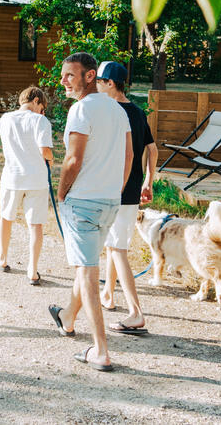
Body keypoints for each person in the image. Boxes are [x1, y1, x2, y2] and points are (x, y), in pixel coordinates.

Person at [48, 52, 132, 372]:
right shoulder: (117, 109)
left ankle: (100, 351)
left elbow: (73, 159)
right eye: (63, 75)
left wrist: (61, 193)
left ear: (89, 75)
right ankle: (67, 317)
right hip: (110, 201)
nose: (63, 81)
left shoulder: (81, 109)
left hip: (83, 201)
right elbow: (128, 157)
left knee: (87, 273)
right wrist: (116, 190)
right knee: (88, 266)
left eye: (70, 75)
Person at [96, 61, 157, 335]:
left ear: (110, 83)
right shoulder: (138, 112)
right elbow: (152, 149)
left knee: (118, 249)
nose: (97, 85)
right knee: (114, 245)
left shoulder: (111, 112)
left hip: (114, 189)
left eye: (99, 81)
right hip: (131, 190)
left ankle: (136, 313)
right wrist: (148, 181)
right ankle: (108, 294)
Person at [0, 87, 54, 285]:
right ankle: (32, 270)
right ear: (36, 100)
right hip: (36, 178)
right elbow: (45, 150)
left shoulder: (5, 119)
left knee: (6, 218)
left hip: (12, 176)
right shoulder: (40, 121)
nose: (42, 112)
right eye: (42, 107)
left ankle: (2, 257)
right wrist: (51, 160)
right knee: (35, 224)